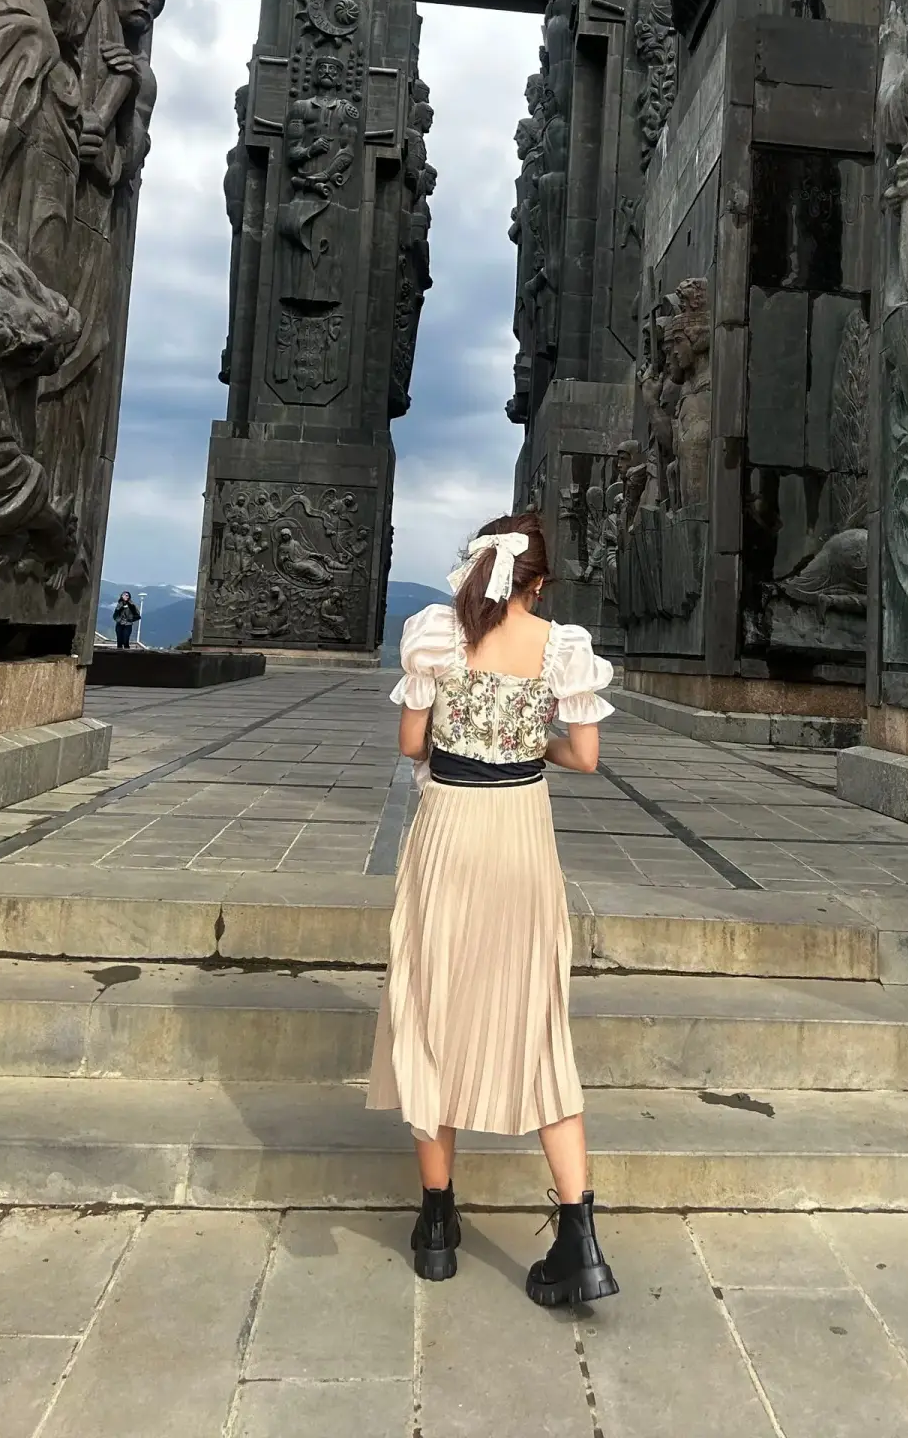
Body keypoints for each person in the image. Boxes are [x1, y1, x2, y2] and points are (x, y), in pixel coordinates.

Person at [367, 511, 619, 1307]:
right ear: (538, 583)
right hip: (520, 838)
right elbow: (584, 755)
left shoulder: (438, 637)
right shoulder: (560, 647)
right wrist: (528, 739)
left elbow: (413, 744)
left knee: (432, 1008)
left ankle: (437, 1226)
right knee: (537, 1021)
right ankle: (580, 1239)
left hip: (448, 831)